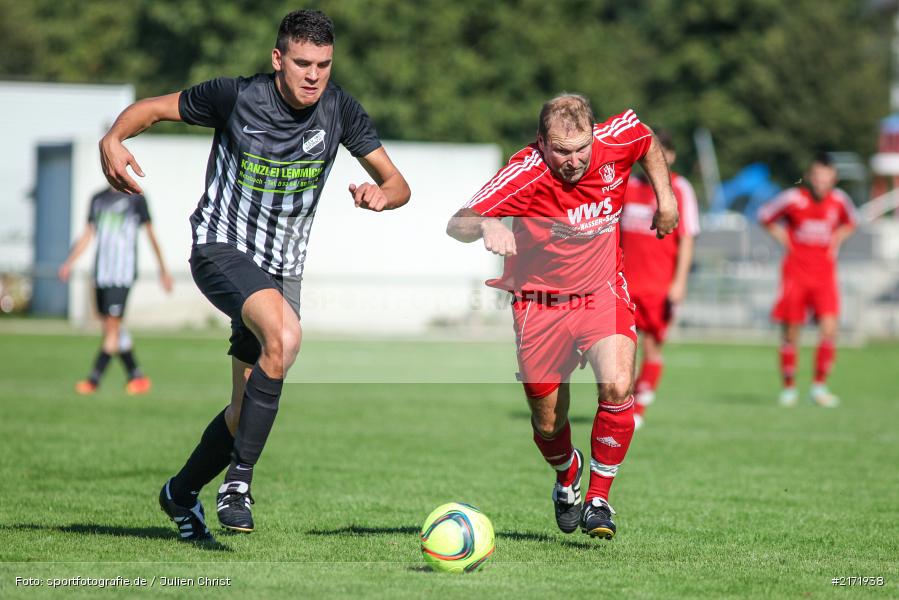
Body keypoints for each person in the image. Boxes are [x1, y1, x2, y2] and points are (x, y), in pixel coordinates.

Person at [99, 10, 410, 541]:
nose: (314, 75)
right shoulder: (235, 96)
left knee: (246, 410)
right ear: (278, 59)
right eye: (303, 63)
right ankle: (237, 485)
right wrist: (113, 139)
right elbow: (150, 109)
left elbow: (398, 182)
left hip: (282, 269)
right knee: (285, 337)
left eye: (324, 65)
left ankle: (179, 493)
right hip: (220, 247)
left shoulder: (340, 110)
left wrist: (383, 196)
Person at [447, 95, 678, 539]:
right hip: (539, 303)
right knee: (548, 419)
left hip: (602, 292)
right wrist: (488, 225)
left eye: (581, 149)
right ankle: (567, 470)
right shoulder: (523, 172)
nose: (573, 161)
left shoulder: (613, 140)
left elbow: (646, 139)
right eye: (561, 151)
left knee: (616, 383)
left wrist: (665, 199)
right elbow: (457, 223)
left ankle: (599, 499)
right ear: (541, 143)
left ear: (593, 135)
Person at [758, 152, 856, 408]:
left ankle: (819, 387)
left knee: (829, 329)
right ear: (811, 177)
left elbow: (850, 223)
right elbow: (765, 216)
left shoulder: (840, 201)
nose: (822, 182)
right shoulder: (793, 198)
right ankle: (789, 388)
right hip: (796, 274)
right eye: (817, 176)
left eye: (827, 177)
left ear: (833, 178)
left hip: (824, 275)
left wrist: (836, 241)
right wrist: (784, 239)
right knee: (791, 332)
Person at [619, 129, 700, 429]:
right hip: (624, 284)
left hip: (659, 286)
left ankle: (637, 409)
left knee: (652, 348)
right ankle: (624, 404)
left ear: (671, 156)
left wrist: (679, 282)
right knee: (622, 351)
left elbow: (688, 237)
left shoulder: (681, 189)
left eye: (662, 153)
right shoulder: (626, 185)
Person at [58, 186, 173, 395]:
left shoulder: (136, 198)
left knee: (111, 331)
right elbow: (88, 233)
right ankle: (137, 377)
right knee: (112, 329)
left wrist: (163, 269)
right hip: (102, 273)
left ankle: (93, 380)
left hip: (122, 274)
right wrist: (69, 262)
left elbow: (150, 233)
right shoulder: (98, 198)